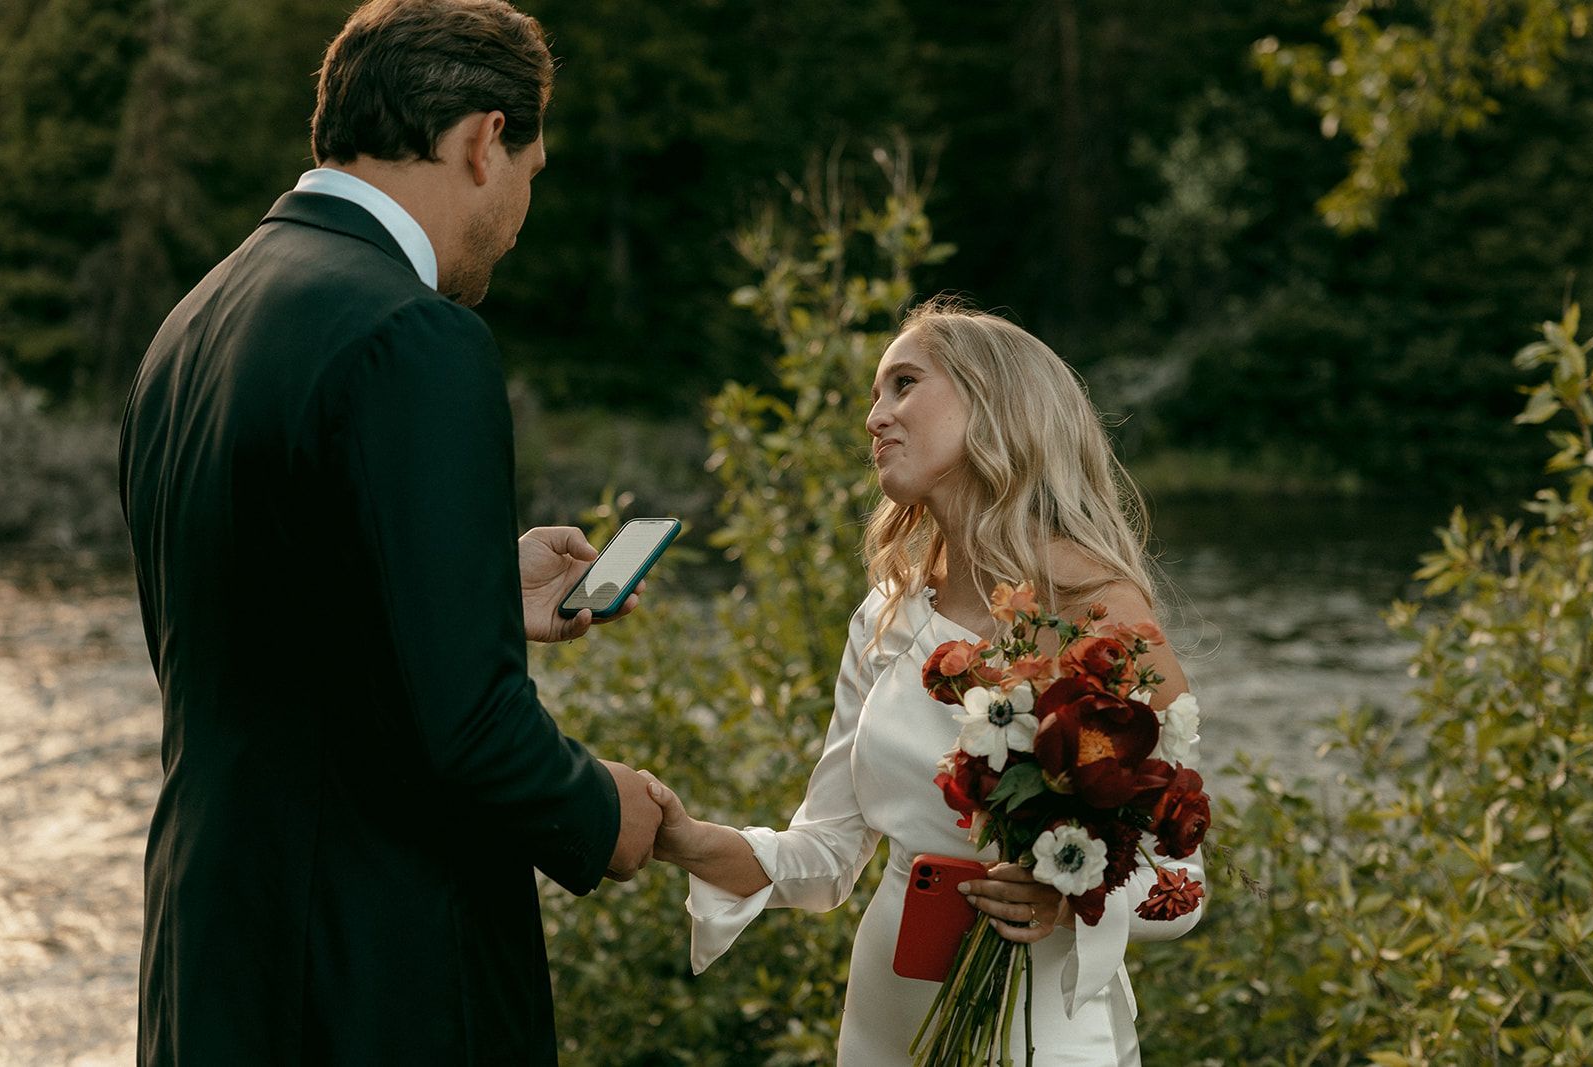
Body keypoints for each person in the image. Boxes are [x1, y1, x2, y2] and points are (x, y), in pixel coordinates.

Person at [117, 2, 662, 1063]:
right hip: (373, 969)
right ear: (480, 141)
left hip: (209, 945)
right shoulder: (415, 334)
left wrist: (467, 589)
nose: (518, 220)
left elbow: (261, 619)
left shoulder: (192, 321)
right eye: (530, 179)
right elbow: (467, 728)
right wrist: (602, 812)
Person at [642, 301, 1205, 1065]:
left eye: (903, 384)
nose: (876, 417)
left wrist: (1067, 897)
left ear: (996, 404)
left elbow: (1184, 884)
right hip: (885, 1016)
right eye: (875, 395)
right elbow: (828, 852)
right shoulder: (889, 614)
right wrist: (685, 840)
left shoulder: (1098, 613)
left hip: (1042, 1028)